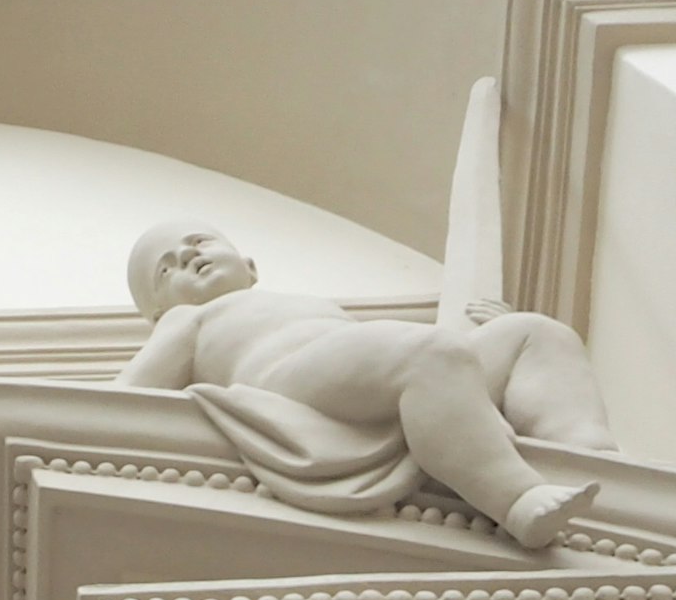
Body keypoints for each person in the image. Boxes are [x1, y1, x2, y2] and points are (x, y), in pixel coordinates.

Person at [113, 225, 614, 548]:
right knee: (431, 352)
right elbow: (130, 397)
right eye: (167, 268)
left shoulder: (303, 303)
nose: (187, 255)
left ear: (250, 267)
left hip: (363, 370)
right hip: (288, 382)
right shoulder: (186, 319)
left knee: (533, 332)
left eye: (199, 242)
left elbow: (410, 361)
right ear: (157, 313)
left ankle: (598, 460)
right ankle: (516, 498)